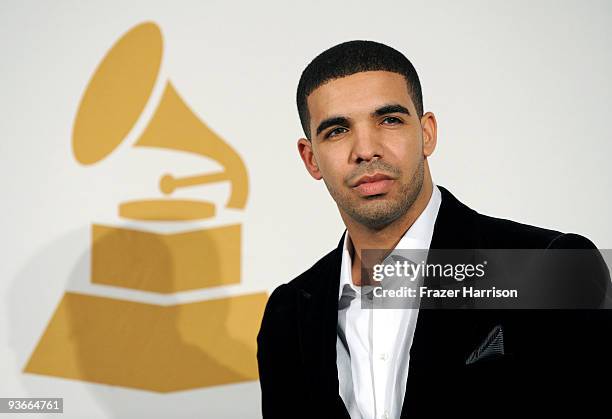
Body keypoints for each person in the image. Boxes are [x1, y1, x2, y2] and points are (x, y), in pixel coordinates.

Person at [256, 40, 611, 419]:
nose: (366, 149)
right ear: (311, 158)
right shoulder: (288, 315)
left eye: (389, 120)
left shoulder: (548, 268)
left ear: (427, 134)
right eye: (337, 130)